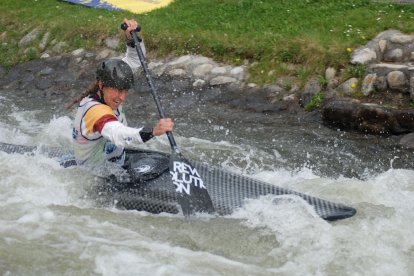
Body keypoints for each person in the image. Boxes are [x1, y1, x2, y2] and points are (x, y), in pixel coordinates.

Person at [68, 18, 174, 180]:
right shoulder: (95, 112)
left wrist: (132, 38)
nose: (122, 97)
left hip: (115, 162)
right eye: (118, 91)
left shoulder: (109, 86)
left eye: (125, 91)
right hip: (95, 177)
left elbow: (134, 61)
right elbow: (118, 134)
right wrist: (152, 131)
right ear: (102, 85)